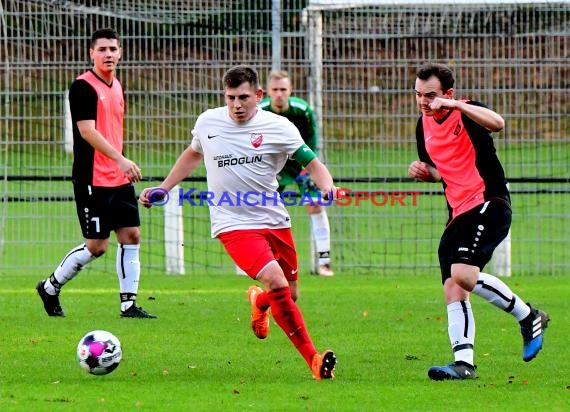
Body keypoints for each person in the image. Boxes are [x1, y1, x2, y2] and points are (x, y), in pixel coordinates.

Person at [139, 65, 337, 380]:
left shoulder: (279, 127)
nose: (236, 105)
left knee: (290, 294)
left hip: (274, 219)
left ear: (258, 95)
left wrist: (327, 187)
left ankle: (259, 303)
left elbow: (312, 162)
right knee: (277, 282)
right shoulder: (208, 122)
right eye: (231, 97)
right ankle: (314, 360)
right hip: (232, 223)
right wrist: (164, 188)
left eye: (243, 97)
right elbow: (192, 155)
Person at [408, 62, 549, 381]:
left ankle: (528, 316)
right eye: (418, 94)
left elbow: (498, 123)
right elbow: (440, 170)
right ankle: (463, 363)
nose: (423, 101)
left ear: (448, 93)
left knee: (464, 275)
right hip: (458, 213)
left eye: (430, 95)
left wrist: (457, 105)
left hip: (489, 202)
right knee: (452, 286)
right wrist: (424, 173)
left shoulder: (466, 110)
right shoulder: (423, 125)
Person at [36, 28, 156, 319]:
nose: (108, 54)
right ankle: (50, 287)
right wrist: (121, 159)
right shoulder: (82, 87)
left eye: (113, 49)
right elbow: (87, 131)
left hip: (118, 176)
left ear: (120, 52)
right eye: (102, 49)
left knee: (131, 234)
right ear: (92, 53)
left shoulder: (117, 85)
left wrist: (121, 163)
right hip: (93, 179)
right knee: (97, 246)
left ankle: (128, 305)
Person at [259, 70, 334, 277]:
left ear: (290, 90)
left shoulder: (303, 110)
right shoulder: (260, 111)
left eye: (283, 89)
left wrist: (307, 168)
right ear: (268, 92)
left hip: (300, 164)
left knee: (315, 204)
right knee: (262, 210)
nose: (279, 94)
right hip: (272, 166)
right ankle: (260, 263)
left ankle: (324, 262)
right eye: (275, 90)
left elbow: (312, 141)